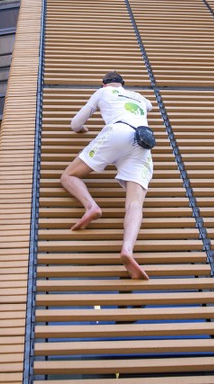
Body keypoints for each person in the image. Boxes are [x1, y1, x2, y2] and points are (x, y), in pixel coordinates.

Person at [60, 71, 154, 280]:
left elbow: (75, 124)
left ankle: (91, 206)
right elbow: (150, 106)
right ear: (122, 84)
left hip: (118, 132)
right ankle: (127, 250)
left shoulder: (102, 93)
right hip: (143, 141)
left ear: (104, 84)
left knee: (69, 176)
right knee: (135, 204)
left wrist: (82, 129)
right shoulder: (138, 96)